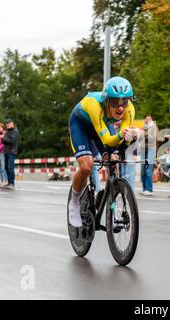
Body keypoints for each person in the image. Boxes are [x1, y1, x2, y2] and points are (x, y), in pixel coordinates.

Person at [68, 76, 137, 228]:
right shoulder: (95, 105)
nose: (120, 107)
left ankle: (108, 204)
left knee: (113, 161)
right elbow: (107, 139)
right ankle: (74, 203)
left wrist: (129, 138)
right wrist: (121, 135)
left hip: (102, 126)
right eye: (115, 102)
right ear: (106, 101)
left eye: (124, 102)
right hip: (81, 125)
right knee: (87, 166)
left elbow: (120, 143)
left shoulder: (129, 109)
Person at [140, 115, 158, 196]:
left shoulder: (154, 127)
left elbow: (155, 137)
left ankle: (149, 189)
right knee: (143, 169)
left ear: (151, 119)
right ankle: (144, 189)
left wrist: (146, 134)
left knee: (148, 169)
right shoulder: (143, 127)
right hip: (143, 149)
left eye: (149, 118)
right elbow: (140, 138)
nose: (147, 120)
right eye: (146, 118)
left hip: (151, 148)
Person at [1, 119, 20, 190]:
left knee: (10, 167)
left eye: (9, 123)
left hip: (12, 152)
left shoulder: (15, 131)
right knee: (6, 167)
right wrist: (3, 139)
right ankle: (9, 182)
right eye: (6, 123)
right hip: (6, 151)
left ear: (12, 123)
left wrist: (3, 138)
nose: (7, 124)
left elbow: (12, 141)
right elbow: (3, 141)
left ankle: (12, 183)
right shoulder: (7, 131)